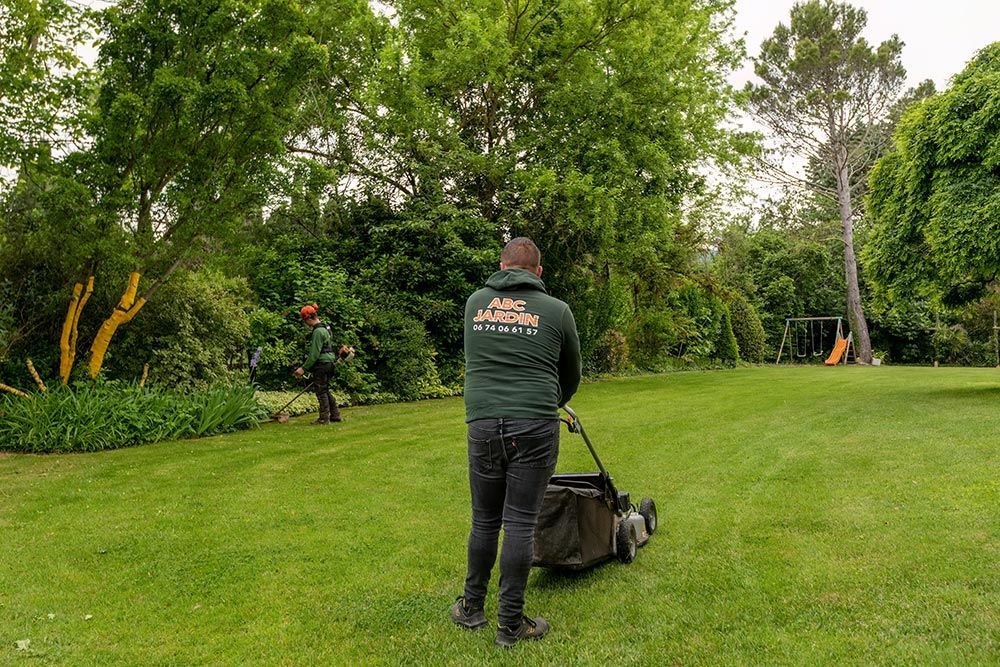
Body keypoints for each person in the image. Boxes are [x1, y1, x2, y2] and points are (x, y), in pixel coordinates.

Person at [451, 237, 582, 647]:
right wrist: (552, 401)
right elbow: (571, 372)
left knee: (485, 520)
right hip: (535, 424)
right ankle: (510, 625)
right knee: (521, 522)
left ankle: (472, 607)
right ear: (538, 272)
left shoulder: (476, 303)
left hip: (484, 422)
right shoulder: (557, 311)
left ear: (502, 265)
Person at [294, 304, 343, 424]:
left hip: (322, 364)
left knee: (321, 391)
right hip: (330, 363)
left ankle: (323, 419)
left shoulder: (317, 331)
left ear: (308, 319)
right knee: (325, 389)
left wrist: (303, 368)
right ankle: (335, 415)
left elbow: (314, 354)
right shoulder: (326, 328)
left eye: (305, 321)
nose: (306, 324)